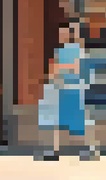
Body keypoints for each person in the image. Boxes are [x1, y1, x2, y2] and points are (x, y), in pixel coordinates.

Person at [40, 22, 99, 161]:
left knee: (77, 122)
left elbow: (74, 68)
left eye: (64, 33)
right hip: (61, 90)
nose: (61, 36)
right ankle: (55, 150)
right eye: (60, 33)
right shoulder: (60, 51)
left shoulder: (76, 50)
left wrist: (60, 68)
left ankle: (87, 148)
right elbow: (54, 69)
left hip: (73, 90)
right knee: (58, 121)